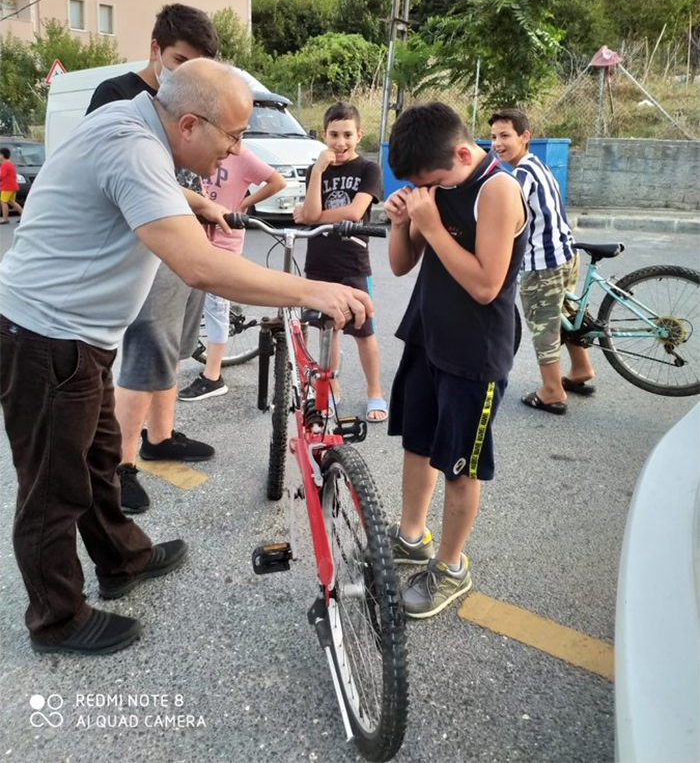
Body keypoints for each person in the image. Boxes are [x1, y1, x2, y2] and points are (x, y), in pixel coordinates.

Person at [0, 59, 373, 656]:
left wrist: (195, 204)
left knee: (97, 461)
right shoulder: (135, 147)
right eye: (233, 135)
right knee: (53, 486)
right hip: (47, 337)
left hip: (78, 339)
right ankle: (56, 618)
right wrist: (311, 290)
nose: (237, 148)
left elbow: (146, 189)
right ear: (191, 123)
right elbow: (199, 265)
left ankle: (122, 559)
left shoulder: (135, 120)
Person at [384, 102, 527, 619]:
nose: (430, 190)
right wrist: (402, 223)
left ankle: (450, 568)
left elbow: (487, 285)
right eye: (423, 184)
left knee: (459, 468)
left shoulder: (498, 190)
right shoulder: (436, 189)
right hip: (427, 336)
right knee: (418, 445)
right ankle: (412, 536)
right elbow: (401, 266)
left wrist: (432, 224)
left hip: (474, 353)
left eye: (434, 180)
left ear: (464, 152)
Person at [86, 3, 220, 515]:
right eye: (178, 60)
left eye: (197, 66)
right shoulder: (117, 97)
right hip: (149, 243)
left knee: (175, 345)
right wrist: (204, 204)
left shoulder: (190, 101)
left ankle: (161, 437)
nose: (184, 74)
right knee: (146, 350)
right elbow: (136, 179)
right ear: (154, 50)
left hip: (187, 236)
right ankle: (121, 464)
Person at [490, 108, 596, 414]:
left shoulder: (519, 175)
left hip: (543, 263)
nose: (498, 143)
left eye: (505, 136)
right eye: (494, 136)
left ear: (525, 137)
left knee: (544, 326)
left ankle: (552, 390)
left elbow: (507, 216)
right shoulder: (536, 165)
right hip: (566, 255)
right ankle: (580, 370)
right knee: (566, 315)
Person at [293, 102, 387, 422]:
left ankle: (375, 392)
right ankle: (331, 386)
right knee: (326, 329)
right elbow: (309, 210)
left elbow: (351, 212)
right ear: (324, 135)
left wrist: (312, 216)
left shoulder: (368, 170)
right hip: (319, 261)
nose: (340, 142)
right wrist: (318, 171)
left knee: (363, 331)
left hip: (353, 263)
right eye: (334, 135)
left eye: (347, 134)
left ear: (359, 135)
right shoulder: (315, 170)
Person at [178, 150, 286, 400]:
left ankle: (213, 377)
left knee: (216, 307)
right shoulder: (200, 150)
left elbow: (277, 181)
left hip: (225, 237)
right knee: (191, 304)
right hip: (195, 235)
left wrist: (245, 204)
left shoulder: (242, 156)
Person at [0, 147, 24, 224]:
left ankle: (5, 218)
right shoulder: (10, 163)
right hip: (13, 186)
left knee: (3, 202)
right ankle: (24, 215)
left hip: (7, 187)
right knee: (12, 202)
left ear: (2, 155)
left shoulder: (5, 165)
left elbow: (2, 176)